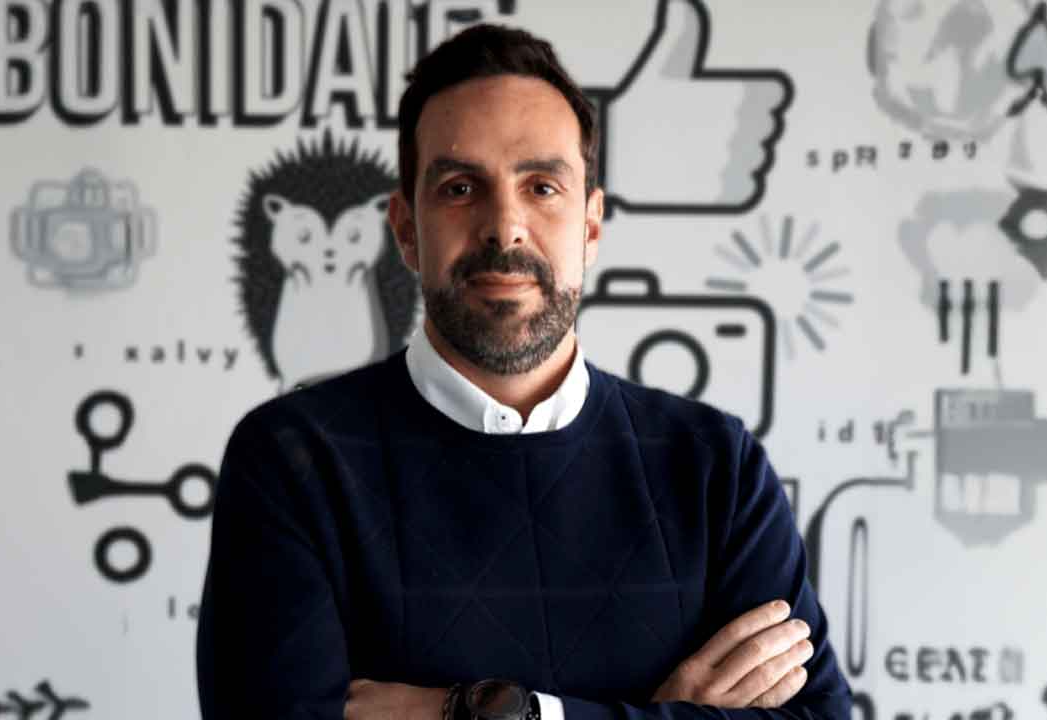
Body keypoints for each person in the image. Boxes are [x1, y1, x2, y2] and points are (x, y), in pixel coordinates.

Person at [196, 23, 851, 720]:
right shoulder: (294, 461)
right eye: (459, 188)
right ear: (406, 229)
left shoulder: (715, 466)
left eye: (541, 187)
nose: (504, 227)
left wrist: (482, 713)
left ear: (590, 227)